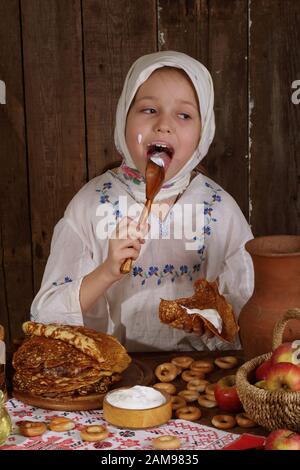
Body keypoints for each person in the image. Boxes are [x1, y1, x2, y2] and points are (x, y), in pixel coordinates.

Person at [30, 51, 254, 352]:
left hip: (202, 381)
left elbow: (250, 311)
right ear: (124, 116)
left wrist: (212, 317)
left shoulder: (220, 209)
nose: (164, 124)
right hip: (113, 382)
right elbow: (45, 316)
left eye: (184, 115)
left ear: (204, 133)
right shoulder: (90, 206)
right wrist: (107, 271)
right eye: (149, 110)